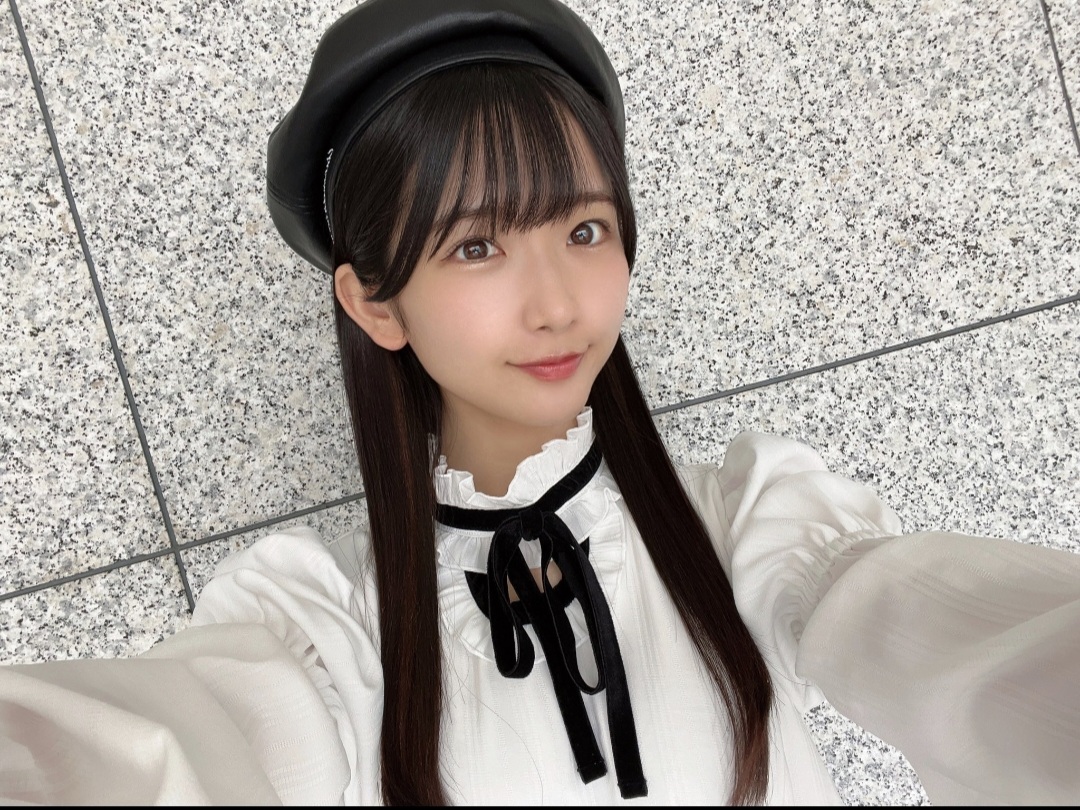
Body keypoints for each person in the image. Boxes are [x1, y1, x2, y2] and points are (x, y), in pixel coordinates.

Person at [1, 0, 1078, 805]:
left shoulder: (751, 530)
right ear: (376, 303)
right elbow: (136, 752)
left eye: (585, 229)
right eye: (477, 246)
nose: (559, 303)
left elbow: (968, 642)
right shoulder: (329, 637)